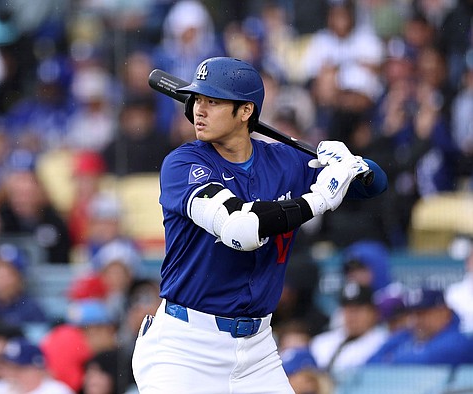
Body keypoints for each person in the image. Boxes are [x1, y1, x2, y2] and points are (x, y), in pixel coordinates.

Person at [131, 57, 387, 393]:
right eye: (198, 99)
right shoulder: (183, 163)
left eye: (214, 101)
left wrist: (351, 162)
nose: (199, 110)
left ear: (246, 111)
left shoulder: (285, 162)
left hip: (257, 349)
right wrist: (319, 199)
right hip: (185, 347)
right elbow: (240, 229)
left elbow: (374, 185)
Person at [367, 287, 473, 366]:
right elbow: (370, 363)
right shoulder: (407, 335)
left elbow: (425, 360)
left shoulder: (459, 341)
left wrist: (390, 359)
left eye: (423, 314)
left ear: (444, 312)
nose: (417, 320)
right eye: (414, 314)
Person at [309, 282, 389, 374]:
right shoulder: (321, 342)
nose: (352, 316)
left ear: (373, 313)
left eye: (358, 310)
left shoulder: (383, 342)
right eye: (348, 309)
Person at [0, 337, 74, 394]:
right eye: (9, 367)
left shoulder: (57, 391)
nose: (13, 373)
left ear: (38, 369)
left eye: (19, 368)